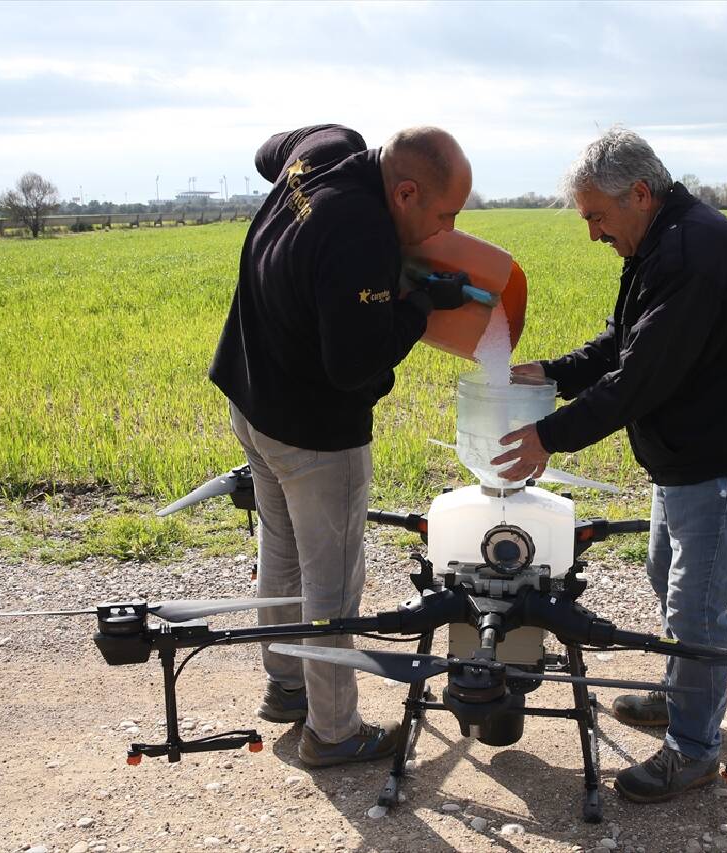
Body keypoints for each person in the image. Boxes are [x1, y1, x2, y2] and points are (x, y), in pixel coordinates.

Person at [493, 127, 727, 802]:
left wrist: (547, 435)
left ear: (639, 193)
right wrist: (553, 371)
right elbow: (623, 339)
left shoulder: (693, 253)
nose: (594, 234)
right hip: (691, 457)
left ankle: (692, 749)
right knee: (667, 573)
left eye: (597, 217)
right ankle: (678, 695)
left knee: (695, 607)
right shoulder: (665, 239)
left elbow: (640, 378)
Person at [209, 124, 473, 767]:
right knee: (331, 583)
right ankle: (332, 733)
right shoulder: (361, 236)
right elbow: (355, 369)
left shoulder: (328, 146)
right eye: (443, 216)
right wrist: (415, 307)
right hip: (313, 433)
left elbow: (266, 152)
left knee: (283, 548)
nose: (445, 231)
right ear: (405, 191)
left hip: (252, 397)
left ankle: (287, 686)